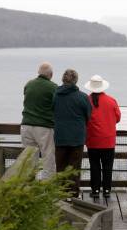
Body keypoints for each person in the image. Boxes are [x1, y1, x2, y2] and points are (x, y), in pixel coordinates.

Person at [53, 69, 91, 198]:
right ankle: (73, 195)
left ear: (63, 80)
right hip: (77, 137)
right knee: (74, 167)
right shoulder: (83, 97)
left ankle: (60, 194)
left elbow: (52, 111)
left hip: (60, 136)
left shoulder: (55, 95)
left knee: (60, 167)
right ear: (76, 81)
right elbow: (88, 115)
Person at [84, 75, 121, 199]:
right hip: (108, 140)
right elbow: (118, 118)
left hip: (92, 139)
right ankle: (106, 190)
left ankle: (95, 190)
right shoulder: (111, 101)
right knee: (107, 166)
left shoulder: (86, 101)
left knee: (94, 165)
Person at [21, 63, 58, 178]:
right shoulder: (53, 87)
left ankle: (29, 185)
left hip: (26, 125)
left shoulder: (29, 84)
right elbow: (56, 105)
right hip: (44, 126)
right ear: (51, 75)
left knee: (29, 158)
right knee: (48, 157)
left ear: (39, 73)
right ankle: (48, 186)